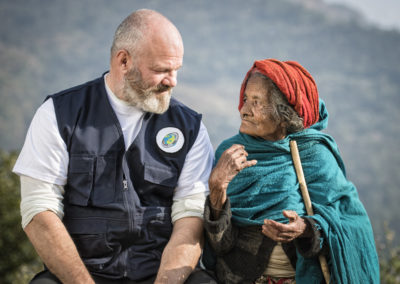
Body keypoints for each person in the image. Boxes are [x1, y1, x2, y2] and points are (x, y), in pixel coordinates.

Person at [13, 9, 217, 284]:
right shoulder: (58, 115)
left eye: (175, 70)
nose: (172, 81)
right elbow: (39, 211)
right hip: (80, 275)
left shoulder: (190, 128)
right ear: (123, 61)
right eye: (161, 70)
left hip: (160, 275)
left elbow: (190, 218)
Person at [202, 59, 380, 283]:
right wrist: (217, 190)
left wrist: (306, 228)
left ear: (284, 115)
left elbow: (350, 224)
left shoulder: (314, 155)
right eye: (245, 99)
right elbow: (219, 245)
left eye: (256, 102)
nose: (244, 110)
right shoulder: (230, 155)